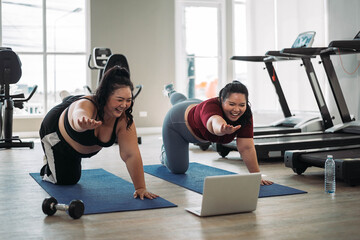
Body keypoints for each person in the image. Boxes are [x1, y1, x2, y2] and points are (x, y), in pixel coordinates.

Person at [39, 65, 158, 200]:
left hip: (76, 120)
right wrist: (82, 124)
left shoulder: (123, 120)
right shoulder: (86, 107)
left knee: (72, 174)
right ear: (106, 95)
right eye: (120, 100)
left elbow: (131, 154)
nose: (124, 105)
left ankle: (68, 98)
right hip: (55, 131)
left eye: (128, 100)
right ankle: (48, 160)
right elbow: (78, 115)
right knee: (66, 180)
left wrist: (140, 188)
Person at [161, 81, 273, 185]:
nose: (237, 109)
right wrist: (222, 128)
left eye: (242, 105)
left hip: (194, 106)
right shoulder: (210, 107)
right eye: (232, 104)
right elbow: (213, 122)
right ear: (221, 100)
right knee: (178, 169)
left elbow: (246, 147)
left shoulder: (245, 115)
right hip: (176, 122)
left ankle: (171, 91)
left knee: (181, 101)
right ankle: (165, 149)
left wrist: (256, 176)